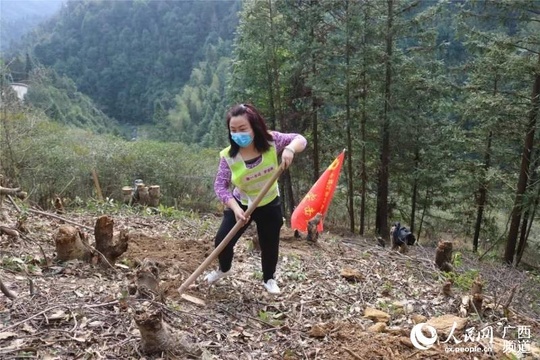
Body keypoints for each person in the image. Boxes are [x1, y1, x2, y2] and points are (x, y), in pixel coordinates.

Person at [205, 103, 307, 294]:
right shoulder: (228, 156)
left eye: (242, 129)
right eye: (233, 130)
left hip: (269, 203)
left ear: (255, 127)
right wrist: (235, 209)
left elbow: (300, 139)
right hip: (241, 204)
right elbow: (220, 186)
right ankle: (224, 269)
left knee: (269, 244)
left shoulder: (271, 142)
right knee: (222, 241)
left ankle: (269, 278)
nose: (238, 134)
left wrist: (290, 149)